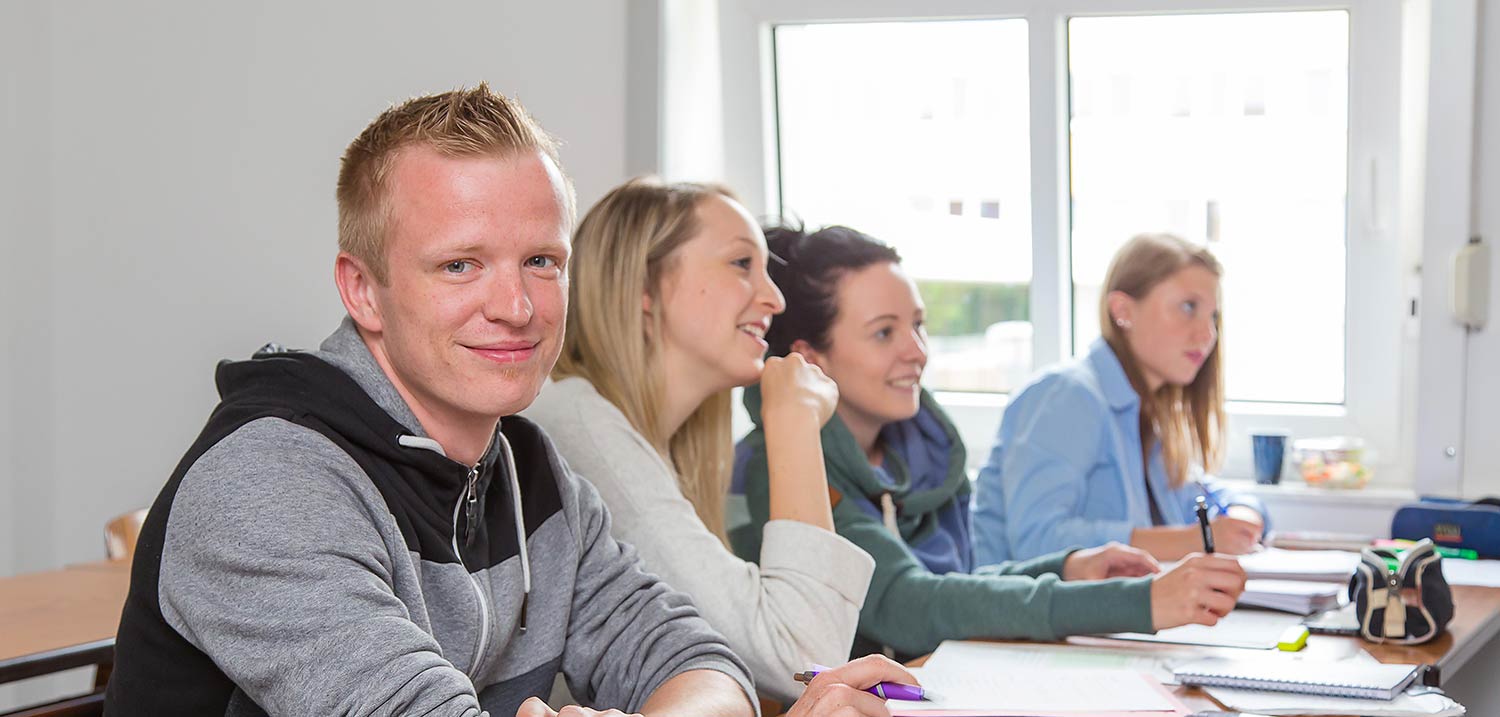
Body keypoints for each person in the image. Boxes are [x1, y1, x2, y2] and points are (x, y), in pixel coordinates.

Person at [105, 85, 758, 717]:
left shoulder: (532, 471)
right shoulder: (263, 486)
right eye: (460, 265)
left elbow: (699, 662)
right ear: (362, 290)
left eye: (541, 260)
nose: (517, 307)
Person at [731, 225, 1247, 660]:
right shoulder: (783, 464)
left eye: (918, 325)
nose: (917, 352)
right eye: (884, 333)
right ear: (810, 360)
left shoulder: (918, 454)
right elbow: (909, 603)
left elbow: (964, 581)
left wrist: (1065, 569)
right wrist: (1141, 602)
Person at [523, 178, 874, 704]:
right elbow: (802, 658)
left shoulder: (634, 435)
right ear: (644, 288)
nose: (774, 298)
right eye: (741, 265)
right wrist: (794, 419)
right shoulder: (581, 425)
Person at [972, 233, 1268, 564]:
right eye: (1189, 307)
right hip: (1029, 613)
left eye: (1213, 315)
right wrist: (1198, 539)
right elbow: (1037, 540)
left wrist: (1244, 514)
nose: (1208, 334)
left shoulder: (1146, 413)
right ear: (1123, 311)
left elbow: (1204, 496)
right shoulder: (1067, 396)